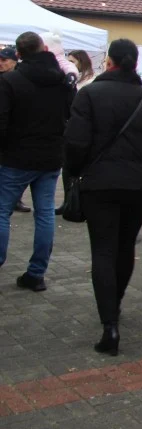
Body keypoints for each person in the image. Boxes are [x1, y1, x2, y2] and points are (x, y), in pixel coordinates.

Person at [64, 39, 142, 356]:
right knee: (123, 248)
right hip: (138, 185)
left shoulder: (89, 94)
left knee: (103, 251)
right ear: (134, 63)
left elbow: (76, 144)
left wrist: (76, 175)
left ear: (109, 63)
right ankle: (115, 305)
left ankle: (110, 323)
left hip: (100, 184)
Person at [0, 32, 75, 291]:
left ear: (18, 54)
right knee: (44, 215)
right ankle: (36, 273)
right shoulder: (62, 81)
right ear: (43, 48)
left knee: (1, 212)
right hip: (50, 156)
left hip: (15, 157)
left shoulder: (10, 81)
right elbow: (69, 115)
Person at [0, 47, 31, 214]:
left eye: (4, 60)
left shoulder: (19, 80)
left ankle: (15, 200)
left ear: (14, 61)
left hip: (14, 132)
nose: (1, 63)